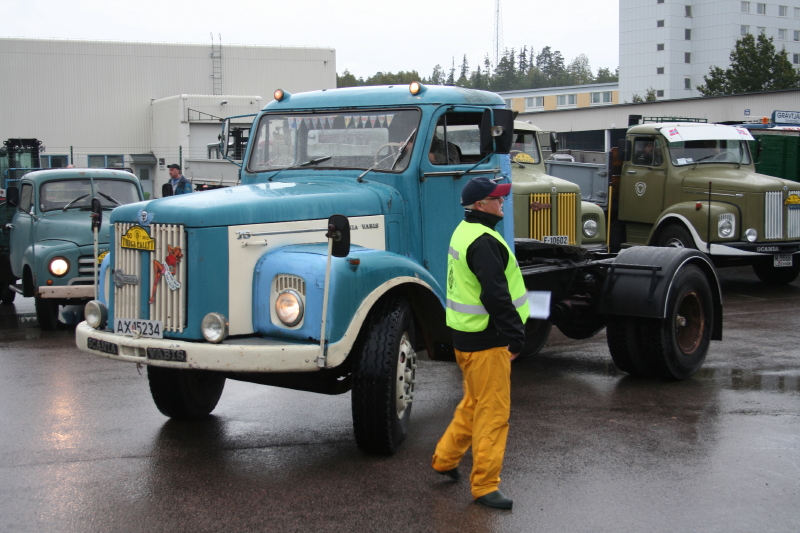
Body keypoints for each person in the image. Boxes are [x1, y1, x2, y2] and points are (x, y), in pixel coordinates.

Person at [432, 176, 529, 510]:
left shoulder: (465, 231)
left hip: (467, 337)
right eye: (497, 198)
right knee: (493, 413)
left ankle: (445, 459)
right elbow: (496, 295)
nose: (502, 202)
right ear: (480, 205)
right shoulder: (484, 241)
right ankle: (485, 486)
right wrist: (516, 336)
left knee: (474, 403)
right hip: (488, 341)